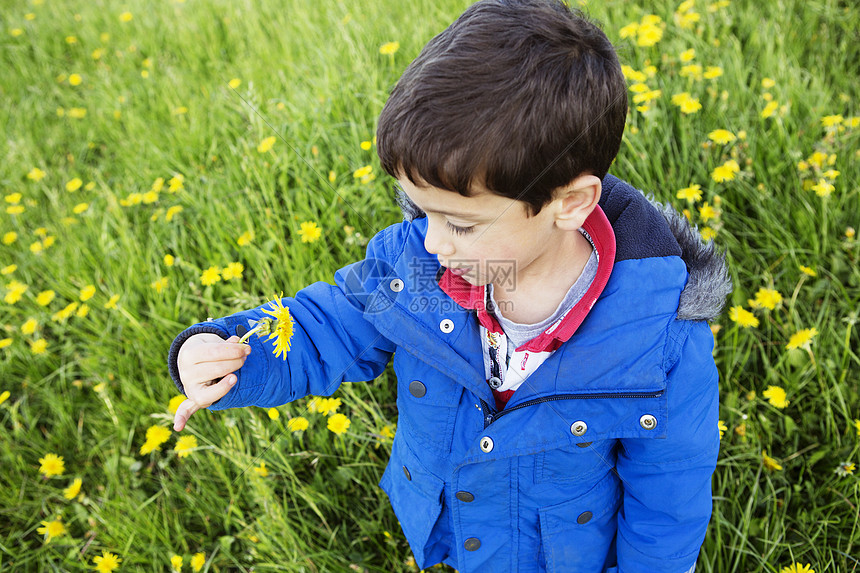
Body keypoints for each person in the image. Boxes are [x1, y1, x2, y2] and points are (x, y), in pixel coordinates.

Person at [167, 1, 731, 571]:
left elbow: (668, 498)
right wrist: (234, 351)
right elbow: (327, 323)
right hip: (453, 523)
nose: (433, 242)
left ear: (569, 204)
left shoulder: (658, 342)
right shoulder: (419, 266)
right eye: (423, 211)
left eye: (459, 223)